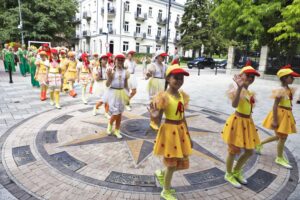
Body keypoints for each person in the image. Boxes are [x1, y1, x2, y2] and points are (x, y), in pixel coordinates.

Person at [150, 64, 192, 200]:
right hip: (169, 132)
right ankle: (165, 191)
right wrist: (154, 114)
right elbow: (157, 119)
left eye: (181, 78)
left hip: (180, 131)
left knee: (180, 162)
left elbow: (182, 116)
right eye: (176, 78)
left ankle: (162, 173)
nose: (179, 81)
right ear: (168, 78)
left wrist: (188, 135)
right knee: (172, 163)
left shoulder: (181, 95)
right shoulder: (164, 97)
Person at [222, 66, 261, 188]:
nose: (250, 78)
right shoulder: (236, 90)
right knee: (233, 150)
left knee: (250, 151)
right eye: (247, 75)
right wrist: (239, 88)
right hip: (237, 122)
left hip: (247, 123)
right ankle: (228, 174)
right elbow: (234, 105)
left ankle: (237, 170)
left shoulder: (249, 93)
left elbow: (249, 110)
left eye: (252, 76)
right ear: (241, 76)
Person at [256, 65, 299, 169]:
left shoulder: (289, 89)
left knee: (279, 137)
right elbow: (275, 105)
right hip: (280, 115)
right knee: (283, 137)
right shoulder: (281, 90)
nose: (293, 79)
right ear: (284, 78)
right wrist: (275, 120)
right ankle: (279, 158)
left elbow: (288, 103)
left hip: (286, 114)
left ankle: (260, 143)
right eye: (291, 77)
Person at [103, 53, 130, 139]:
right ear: (115, 60)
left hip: (122, 93)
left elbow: (126, 84)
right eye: (118, 59)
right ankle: (110, 124)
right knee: (115, 112)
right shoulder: (111, 70)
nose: (120, 61)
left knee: (120, 113)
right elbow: (107, 85)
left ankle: (117, 130)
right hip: (113, 93)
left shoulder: (126, 72)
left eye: (122, 60)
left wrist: (128, 95)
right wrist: (109, 77)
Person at [146, 50, 168, 131]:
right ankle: (152, 122)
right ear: (157, 56)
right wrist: (148, 75)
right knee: (154, 104)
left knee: (161, 104)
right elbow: (147, 76)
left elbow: (166, 76)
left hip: (163, 84)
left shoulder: (165, 66)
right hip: (154, 84)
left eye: (164, 56)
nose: (163, 57)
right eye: (162, 56)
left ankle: (157, 121)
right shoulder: (152, 65)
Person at [92, 54, 110, 118]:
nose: (105, 61)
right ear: (100, 60)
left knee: (107, 100)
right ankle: (96, 107)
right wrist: (99, 74)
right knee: (103, 100)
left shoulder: (109, 68)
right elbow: (96, 79)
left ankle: (106, 113)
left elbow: (110, 78)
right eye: (104, 59)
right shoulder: (96, 68)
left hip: (106, 84)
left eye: (106, 59)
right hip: (100, 85)